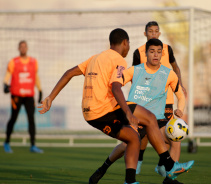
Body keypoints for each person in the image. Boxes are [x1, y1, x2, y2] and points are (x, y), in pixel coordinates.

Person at [38, 29, 193, 184]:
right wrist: (128, 112)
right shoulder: (119, 60)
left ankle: (130, 181)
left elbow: (68, 73)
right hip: (107, 108)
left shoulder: (94, 58)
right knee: (150, 118)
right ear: (125, 43)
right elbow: (116, 87)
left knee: (133, 139)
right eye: (128, 44)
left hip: (90, 115)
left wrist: (50, 97)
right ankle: (169, 165)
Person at [90, 39, 193, 184]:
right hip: (136, 118)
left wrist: (180, 110)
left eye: (158, 52)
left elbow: (181, 96)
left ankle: (170, 178)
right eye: (152, 52)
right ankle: (103, 168)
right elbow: (116, 84)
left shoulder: (169, 74)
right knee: (126, 145)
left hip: (157, 119)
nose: (155, 55)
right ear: (146, 54)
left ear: (162, 54)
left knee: (175, 139)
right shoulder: (135, 70)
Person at [132, 21, 187, 175]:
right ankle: (140, 160)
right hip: (146, 100)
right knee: (143, 134)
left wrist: (180, 84)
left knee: (170, 135)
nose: (154, 34)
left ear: (159, 33)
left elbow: (175, 67)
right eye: (151, 31)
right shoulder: (138, 52)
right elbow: (134, 75)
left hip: (166, 99)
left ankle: (165, 168)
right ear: (145, 34)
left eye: (156, 31)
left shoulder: (167, 49)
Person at [3, 40, 43, 154]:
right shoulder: (13, 62)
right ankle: (7, 142)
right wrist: (5, 84)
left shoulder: (33, 62)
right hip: (16, 94)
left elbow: (36, 76)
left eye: (25, 46)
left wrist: (40, 90)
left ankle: (33, 145)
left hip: (29, 95)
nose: (23, 48)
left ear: (27, 48)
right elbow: (8, 75)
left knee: (31, 119)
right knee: (13, 118)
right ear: (18, 48)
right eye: (21, 47)